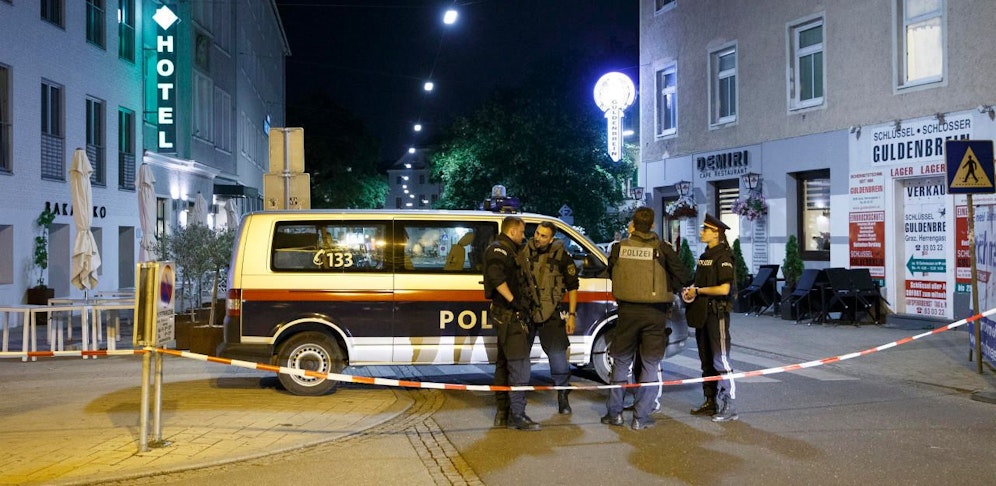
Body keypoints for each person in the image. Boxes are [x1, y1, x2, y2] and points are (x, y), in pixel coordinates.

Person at [601, 207, 690, 431]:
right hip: (655, 314)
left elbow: (610, 273)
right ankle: (640, 417)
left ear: (633, 224)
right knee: (650, 364)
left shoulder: (618, 248)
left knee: (621, 362)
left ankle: (614, 414)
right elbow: (684, 276)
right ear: (652, 225)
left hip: (627, 312)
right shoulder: (662, 248)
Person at [681, 213, 739, 422]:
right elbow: (698, 282)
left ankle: (729, 404)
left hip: (717, 314)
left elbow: (724, 289)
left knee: (720, 359)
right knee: (706, 360)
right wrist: (690, 291)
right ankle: (710, 401)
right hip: (703, 314)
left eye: (705, 229)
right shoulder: (705, 255)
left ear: (716, 233)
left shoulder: (724, 257)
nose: (701, 232)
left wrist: (698, 291)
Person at [483, 216, 540, 431]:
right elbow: (496, 277)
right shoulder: (499, 249)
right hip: (509, 315)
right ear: (512, 231)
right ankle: (518, 415)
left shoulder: (510, 250)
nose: (523, 236)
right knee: (519, 365)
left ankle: (503, 413)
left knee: (504, 363)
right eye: (522, 231)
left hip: (508, 315)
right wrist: (513, 301)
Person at [520, 221, 578, 415]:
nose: (538, 238)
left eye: (543, 236)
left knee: (558, 357)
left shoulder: (562, 256)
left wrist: (571, 315)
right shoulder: (523, 252)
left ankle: (562, 395)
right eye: (537, 233)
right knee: (520, 357)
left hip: (550, 311)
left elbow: (573, 286)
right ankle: (517, 399)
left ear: (552, 239)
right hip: (526, 311)